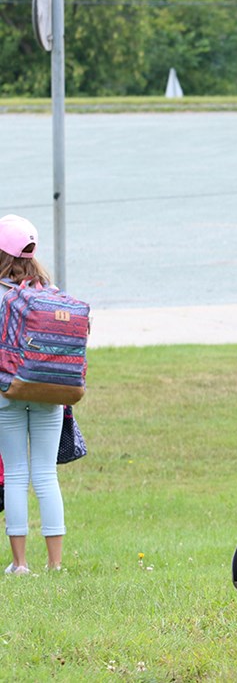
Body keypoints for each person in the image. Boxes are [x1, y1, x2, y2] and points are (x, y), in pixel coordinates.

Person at [0, 214, 64, 575]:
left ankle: (20, 563)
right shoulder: (49, 292)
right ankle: (55, 564)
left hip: (6, 393)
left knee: (16, 474)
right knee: (45, 473)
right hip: (48, 391)